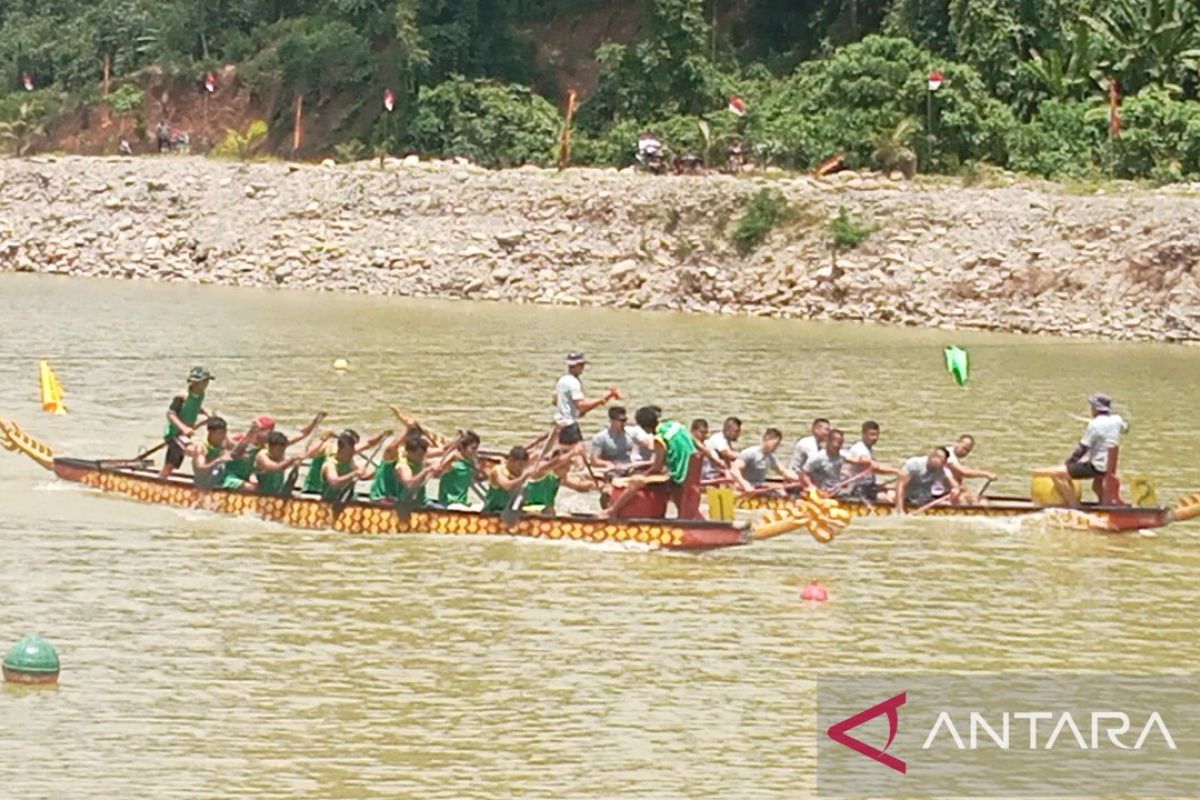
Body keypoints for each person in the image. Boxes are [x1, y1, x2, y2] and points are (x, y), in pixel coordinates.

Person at [601, 406, 697, 519]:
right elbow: (695, 444)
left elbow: (657, 467)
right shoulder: (676, 426)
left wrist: (643, 474)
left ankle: (612, 511)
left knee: (636, 481)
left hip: (679, 476)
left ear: (644, 428)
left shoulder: (659, 439)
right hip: (693, 471)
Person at [1034, 393, 1127, 507]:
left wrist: (1069, 464)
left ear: (1095, 408)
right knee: (1096, 486)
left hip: (1096, 467)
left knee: (1057, 474)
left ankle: (1076, 507)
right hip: (1108, 467)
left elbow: (1082, 449)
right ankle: (1104, 506)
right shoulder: (1117, 420)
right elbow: (1125, 429)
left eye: (1092, 407)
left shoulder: (1094, 425)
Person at [370, 431, 453, 508]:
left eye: (423, 454)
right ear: (409, 452)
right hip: (402, 504)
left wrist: (456, 442)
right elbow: (409, 484)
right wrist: (427, 470)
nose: (421, 457)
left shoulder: (421, 458)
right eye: (419, 454)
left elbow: (443, 451)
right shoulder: (403, 465)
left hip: (421, 502)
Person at [555, 352, 619, 450]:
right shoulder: (573, 383)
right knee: (579, 453)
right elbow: (581, 405)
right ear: (576, 366)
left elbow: (576, 409)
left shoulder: (563, 380)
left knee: (567, 452)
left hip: (561, 423)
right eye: (582, 365)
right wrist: (601, 400)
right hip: (569, 424)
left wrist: (603, 399)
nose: (583, 368)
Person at [160, 366, 215, 479]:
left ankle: (163, 478)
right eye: (204, 381)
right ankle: (160, 481)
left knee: (172, 464)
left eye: (207, 381)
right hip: (175, 435)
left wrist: (206, 411)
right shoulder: (182, 396)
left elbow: (193, 407)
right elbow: (171, 414)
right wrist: (184, 428)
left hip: (184, 436)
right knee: (196, 452)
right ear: (195, 383)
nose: (206, 384)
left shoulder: (200, 395)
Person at [305, 428, 389, 496]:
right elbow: (309, 454)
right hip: (315, 490)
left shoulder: (349, 459)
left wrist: (381, 469)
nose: (354, 449)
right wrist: (323, 439)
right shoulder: (330, 458)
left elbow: (364, 476)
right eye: (352, 445)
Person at [254, 431, 331, 497]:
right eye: (279, 450)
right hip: (262, 495)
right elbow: (276, 468)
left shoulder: (280, 455)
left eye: (283, 450)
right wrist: (292, 459)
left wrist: (323, 439)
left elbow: (308, 454)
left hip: (277, 494)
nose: (281, 453)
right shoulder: (262, 456)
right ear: (270, 447)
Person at [841, 421, 897, 502]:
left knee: (894, 493)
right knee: (888, 499)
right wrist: (897, 471)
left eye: (877, 435)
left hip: (869, 486)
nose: (875, 438)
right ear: (863, 434)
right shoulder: (859, 448)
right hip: (859, 488)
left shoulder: (870, 448)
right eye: (872, 435)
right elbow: (876, 468)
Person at [730, 428, 799, 492]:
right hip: (744, 490)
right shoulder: (750, 453)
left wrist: (799, 480)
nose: (776, 448)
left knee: (782, 493)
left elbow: (783, 471)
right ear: (767, 439)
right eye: (775, 444)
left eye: (778, 445)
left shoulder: (770, 457)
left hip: (758, 488)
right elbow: (734, 470)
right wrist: (745, 485)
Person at [896, 447, 960, 514]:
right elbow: (900, 485)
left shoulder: (941, 470)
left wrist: (955, 489)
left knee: (960, 499)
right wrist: (899, 510)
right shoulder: (915, 464)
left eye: (941, 460)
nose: (936, 460)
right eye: (936, 456)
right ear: (930, 456)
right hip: (907, 499)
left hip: (925, 500)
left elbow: (955, 485)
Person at [320, 431, 376, 504]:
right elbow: (335, 481)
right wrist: (354, 474)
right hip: (330, 503)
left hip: (348, 502)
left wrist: (379, 471)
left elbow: (363, 477)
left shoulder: (350, 463)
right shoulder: (330, 465)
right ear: (341, 447)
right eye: (351, 447)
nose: (353, 450)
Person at [589, 406, 650, 472]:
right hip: (611, 468)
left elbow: (647, 445)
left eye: (625, 420)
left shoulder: (631, 433)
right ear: (612, 421)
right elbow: (594, 460)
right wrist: (607, 464)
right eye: (621, 421)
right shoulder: (600, 437)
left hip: (628, 466)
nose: (624, 423)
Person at [945, 434, 998, 504]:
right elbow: (963, 472)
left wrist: (969, 494)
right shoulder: (947, 453)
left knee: (981, 500)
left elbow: (959, 480)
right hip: (936, 493)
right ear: (957, 442)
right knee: (966, 500)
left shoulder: (956, 459)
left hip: (949, 490)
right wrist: (986, 474)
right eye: (964, 448)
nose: (965, 452)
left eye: (967, 451)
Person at [437, 431, 483, 509]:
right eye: (473, 449)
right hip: (449, 504)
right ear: (462, 448)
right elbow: (440, 468)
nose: (476, 452)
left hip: (462, 504)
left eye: (477, 448)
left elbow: (480, 476)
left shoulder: (469, 463)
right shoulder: (453, 462)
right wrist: (453, 446)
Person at [188, 416, 231, 490]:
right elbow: (200, 468)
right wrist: (217, 461)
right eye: (219, 433)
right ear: (210, 433)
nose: (223, 436)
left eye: (225, 433)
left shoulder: (223, 442)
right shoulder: (201, 448)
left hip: (218, 476)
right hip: (203, 482)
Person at [802, 429, 849, 495]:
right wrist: (811, 486)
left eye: (841, 443)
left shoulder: (841, 454)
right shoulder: (818, 457)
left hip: (837, 490)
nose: (839, 446)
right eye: (838, 443)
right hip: (822, 492)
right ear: (828, 441)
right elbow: (803, 473)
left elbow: (857, 460)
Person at [701, 416, 743, 481]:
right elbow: (727, 454)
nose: (738, 434)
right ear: (727, 430)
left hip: (718, 470)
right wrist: (746, 455)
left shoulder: (726, 440)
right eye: (736, 431)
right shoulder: (718, 439)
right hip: (710, 474)